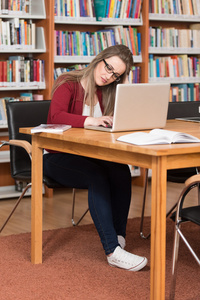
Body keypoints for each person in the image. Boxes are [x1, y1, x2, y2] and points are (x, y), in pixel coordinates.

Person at [43, 45, 148, 271]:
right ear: (99, 59)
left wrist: (124, 87)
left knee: (121, 171)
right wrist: (92, 120)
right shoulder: (68, 82)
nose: (108, 76)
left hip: (88, 155)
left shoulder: (108, 89)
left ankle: (119, 238)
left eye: (115, 74)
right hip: (56, 157)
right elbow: (56, 116)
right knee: (96, 177)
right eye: (108, 67)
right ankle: (112, 251)